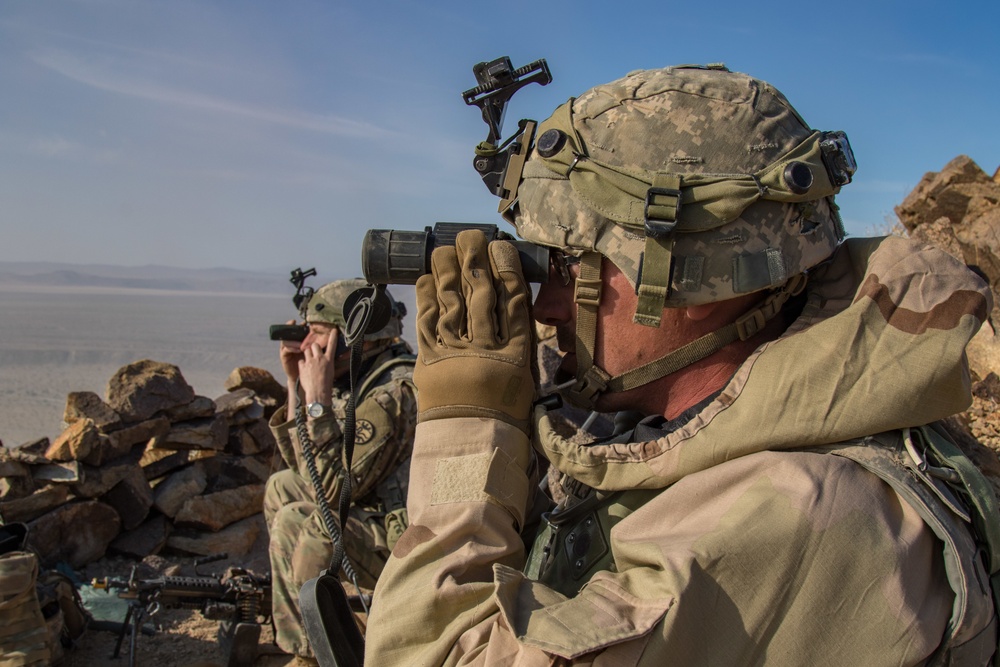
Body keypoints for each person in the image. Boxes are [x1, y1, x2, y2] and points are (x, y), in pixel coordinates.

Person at [365, 65, 999, 665]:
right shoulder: (701, 429)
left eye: (570, 266)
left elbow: (430, 652)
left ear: (694, 286)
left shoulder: (791, 516)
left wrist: (468, 424)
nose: (549, 304)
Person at [264, 278, 416, 659]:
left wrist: (317, 401)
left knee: (308, 523)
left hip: (403, 539)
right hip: (371, 509)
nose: (306, 345)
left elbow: (329, 490)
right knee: (282, 487)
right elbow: (303, 469)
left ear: (350, 339)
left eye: (317, 334)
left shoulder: (391, 395)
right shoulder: (362, 378)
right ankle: (305, 630)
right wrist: (295, 386)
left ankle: (309, 652)